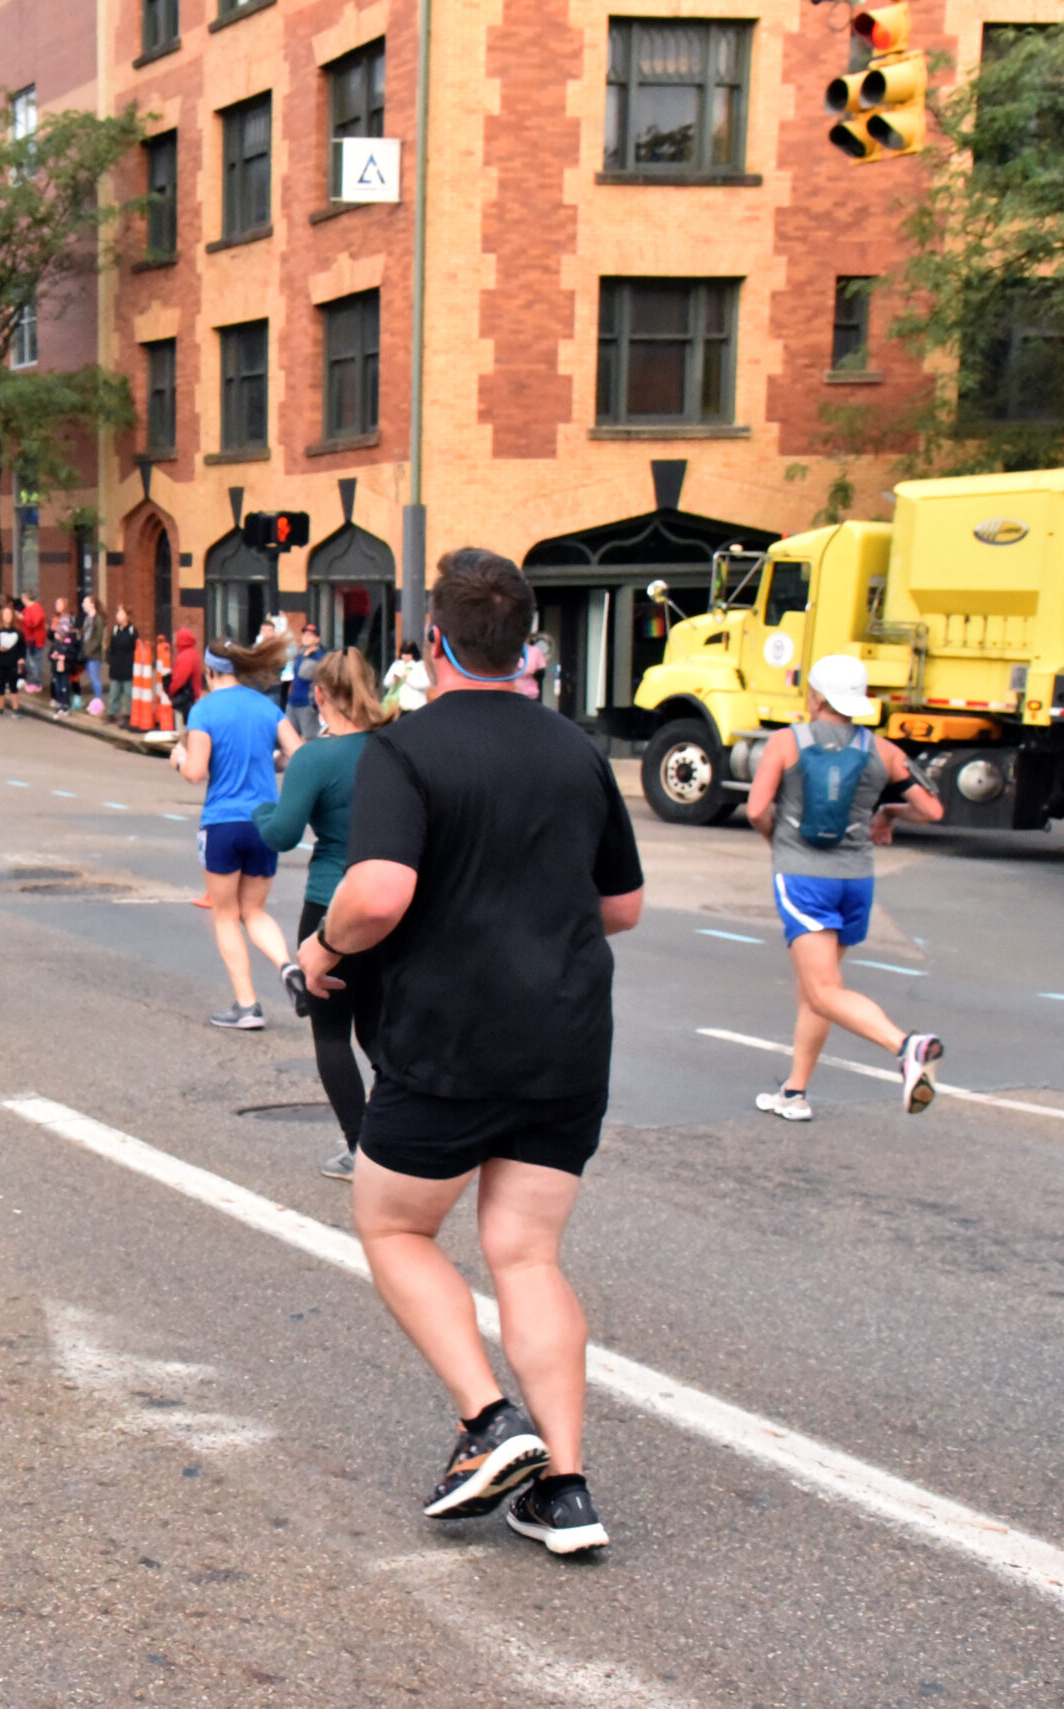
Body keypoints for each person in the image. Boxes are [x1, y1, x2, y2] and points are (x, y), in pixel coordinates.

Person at [296, 548, 645, 1558]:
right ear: (526, 644)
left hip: (449, 1036)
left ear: (434, 640)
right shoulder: (574, 748)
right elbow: (620, 905)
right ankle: (566, 1490)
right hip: (566, 1035)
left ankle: (489, 1419)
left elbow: (374, 894)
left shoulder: (403, 750)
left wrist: (319, 951)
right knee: (528, 1253)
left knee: (396, 1227)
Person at [747, 652, 947, 1121]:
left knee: (820, 990)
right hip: (855, 880)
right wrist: (888, 813)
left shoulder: (785, 742)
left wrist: (777, 841)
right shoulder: (884, 752)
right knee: (819, 989)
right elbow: (933, 810)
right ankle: (794, 1093)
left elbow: (757, 809)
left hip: (804, 877)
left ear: (814, 697)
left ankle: (906, 1046)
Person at [255, 647, 390, 1179]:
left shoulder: (315, 757)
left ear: (319, 694)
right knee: (381, 1029)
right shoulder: (393, 747)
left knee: (332, 1033)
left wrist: (260, 809)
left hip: (333, 904)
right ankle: (398, 1133)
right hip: (393, 902)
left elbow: (283, 834)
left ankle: (360, 1147)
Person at [173, 638, 304, 1029]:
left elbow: (196, 771)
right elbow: (297, 752)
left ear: (210, 673)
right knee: (256, 911)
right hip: (265, 818)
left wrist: (179, 758)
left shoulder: (204, 710)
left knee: (226, 914)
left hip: (223, 821)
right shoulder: (265, 706)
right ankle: (287, 966)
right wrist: (270, 762)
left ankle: (247, 1005)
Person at [287, 621, 328, 739]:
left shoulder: (320, 657)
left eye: (310, 635)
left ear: (317, 639)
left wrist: (316, 705)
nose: (305, 638)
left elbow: (321, 681)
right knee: (291, 736)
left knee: (309, 737)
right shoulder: (300, 654)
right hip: (292, 702)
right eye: (304, 635)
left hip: (307, 704)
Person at [0, 596, 25, 717]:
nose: (7, 617)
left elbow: (22, 647)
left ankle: (16, 708)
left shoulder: (17, 632)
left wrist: (21, 658)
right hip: (0, 662)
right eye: (5, 615)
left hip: (13, 663)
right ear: (1, 616)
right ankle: (1, 709)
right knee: (1, 686)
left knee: (13, 686)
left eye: (10, 615)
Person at [105, 609, 140, 726]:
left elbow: (136, 647)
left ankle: (130, 713)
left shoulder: (132, 631)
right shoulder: (115, 630)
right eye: (117, 613)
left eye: (120, 614)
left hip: (127, 666)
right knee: (114, 691)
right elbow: (111, 647)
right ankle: (112, 713)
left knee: (128, 691)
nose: (118, 616)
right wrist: (110, 659)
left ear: (127, 616)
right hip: (116, 666)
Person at [79, 594, 110, 715]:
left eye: (85, 602)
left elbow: (98, 638)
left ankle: (99, 701)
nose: (83, 604)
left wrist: (89, 650)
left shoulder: (98, 620)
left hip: (94, 654)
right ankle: (96, 701)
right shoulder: (87, 618)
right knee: (92, 678)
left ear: (92, 604)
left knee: (94, 677)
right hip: (87, 653)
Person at [382, 638, 430, 713]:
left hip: (414, 706)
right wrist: (394, 679)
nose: (405, 656)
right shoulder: (397, 665)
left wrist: (408, 678)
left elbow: (426, 683)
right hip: (396, 705)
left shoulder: (420, 666)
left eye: (408, 654)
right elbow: (386, 683)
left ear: (413, 654)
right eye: (403, 653)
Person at [18, 592, 48, 691]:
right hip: (28, 639)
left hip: (35, 640)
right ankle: (32, 681)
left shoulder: (36, 608)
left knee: (34, 662)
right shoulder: (27, 609)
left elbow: (35, 623)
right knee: (29, 661)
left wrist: (23, 619)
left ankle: (36, 683)